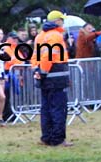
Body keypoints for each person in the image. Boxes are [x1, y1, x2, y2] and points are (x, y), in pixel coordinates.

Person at [31, 10, 72, 146]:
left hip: (45, 77)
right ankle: (58, 139)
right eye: (62, 19)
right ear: (57, 21)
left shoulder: (40, 36)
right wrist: (43, 72)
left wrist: (37, 71)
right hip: (55, 77)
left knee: (46, 109)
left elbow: (35, 56)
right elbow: (49, 56)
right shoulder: (56, 36)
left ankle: (46, 137)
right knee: (58, 109)